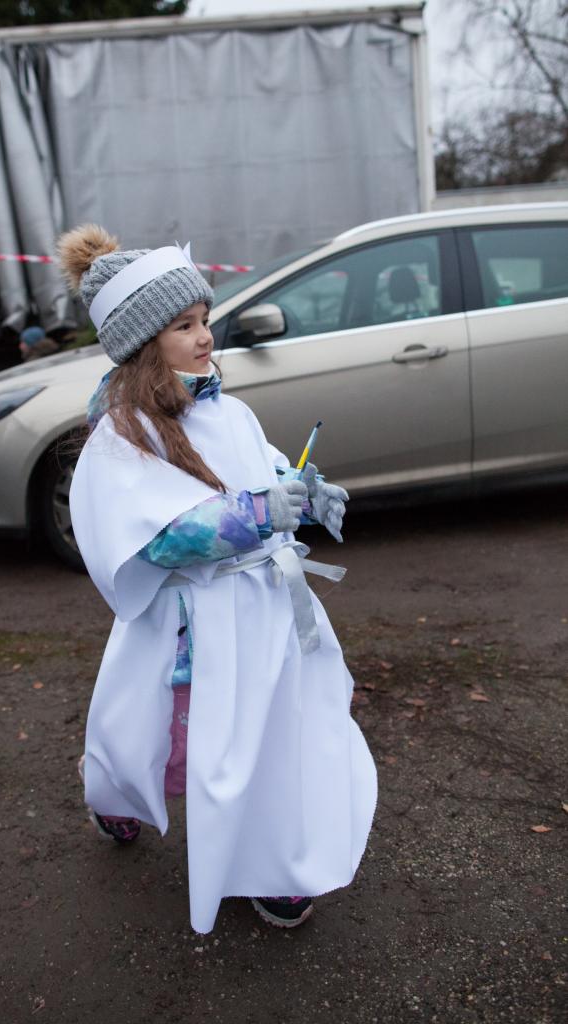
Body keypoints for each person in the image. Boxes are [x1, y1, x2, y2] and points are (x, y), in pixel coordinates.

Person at [59, 225, 377, 934]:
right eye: (184, 325)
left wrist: (303, 490)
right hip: (191, 624)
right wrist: (256, 514)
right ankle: (115, 796)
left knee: (272, 732)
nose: (205, 335)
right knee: (156, 732)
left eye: (204, 319)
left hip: (262, 609)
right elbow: (154, 535)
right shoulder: (125, 434)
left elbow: (264, 467)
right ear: (145, 343)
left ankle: (271, 862)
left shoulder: (228, 410)